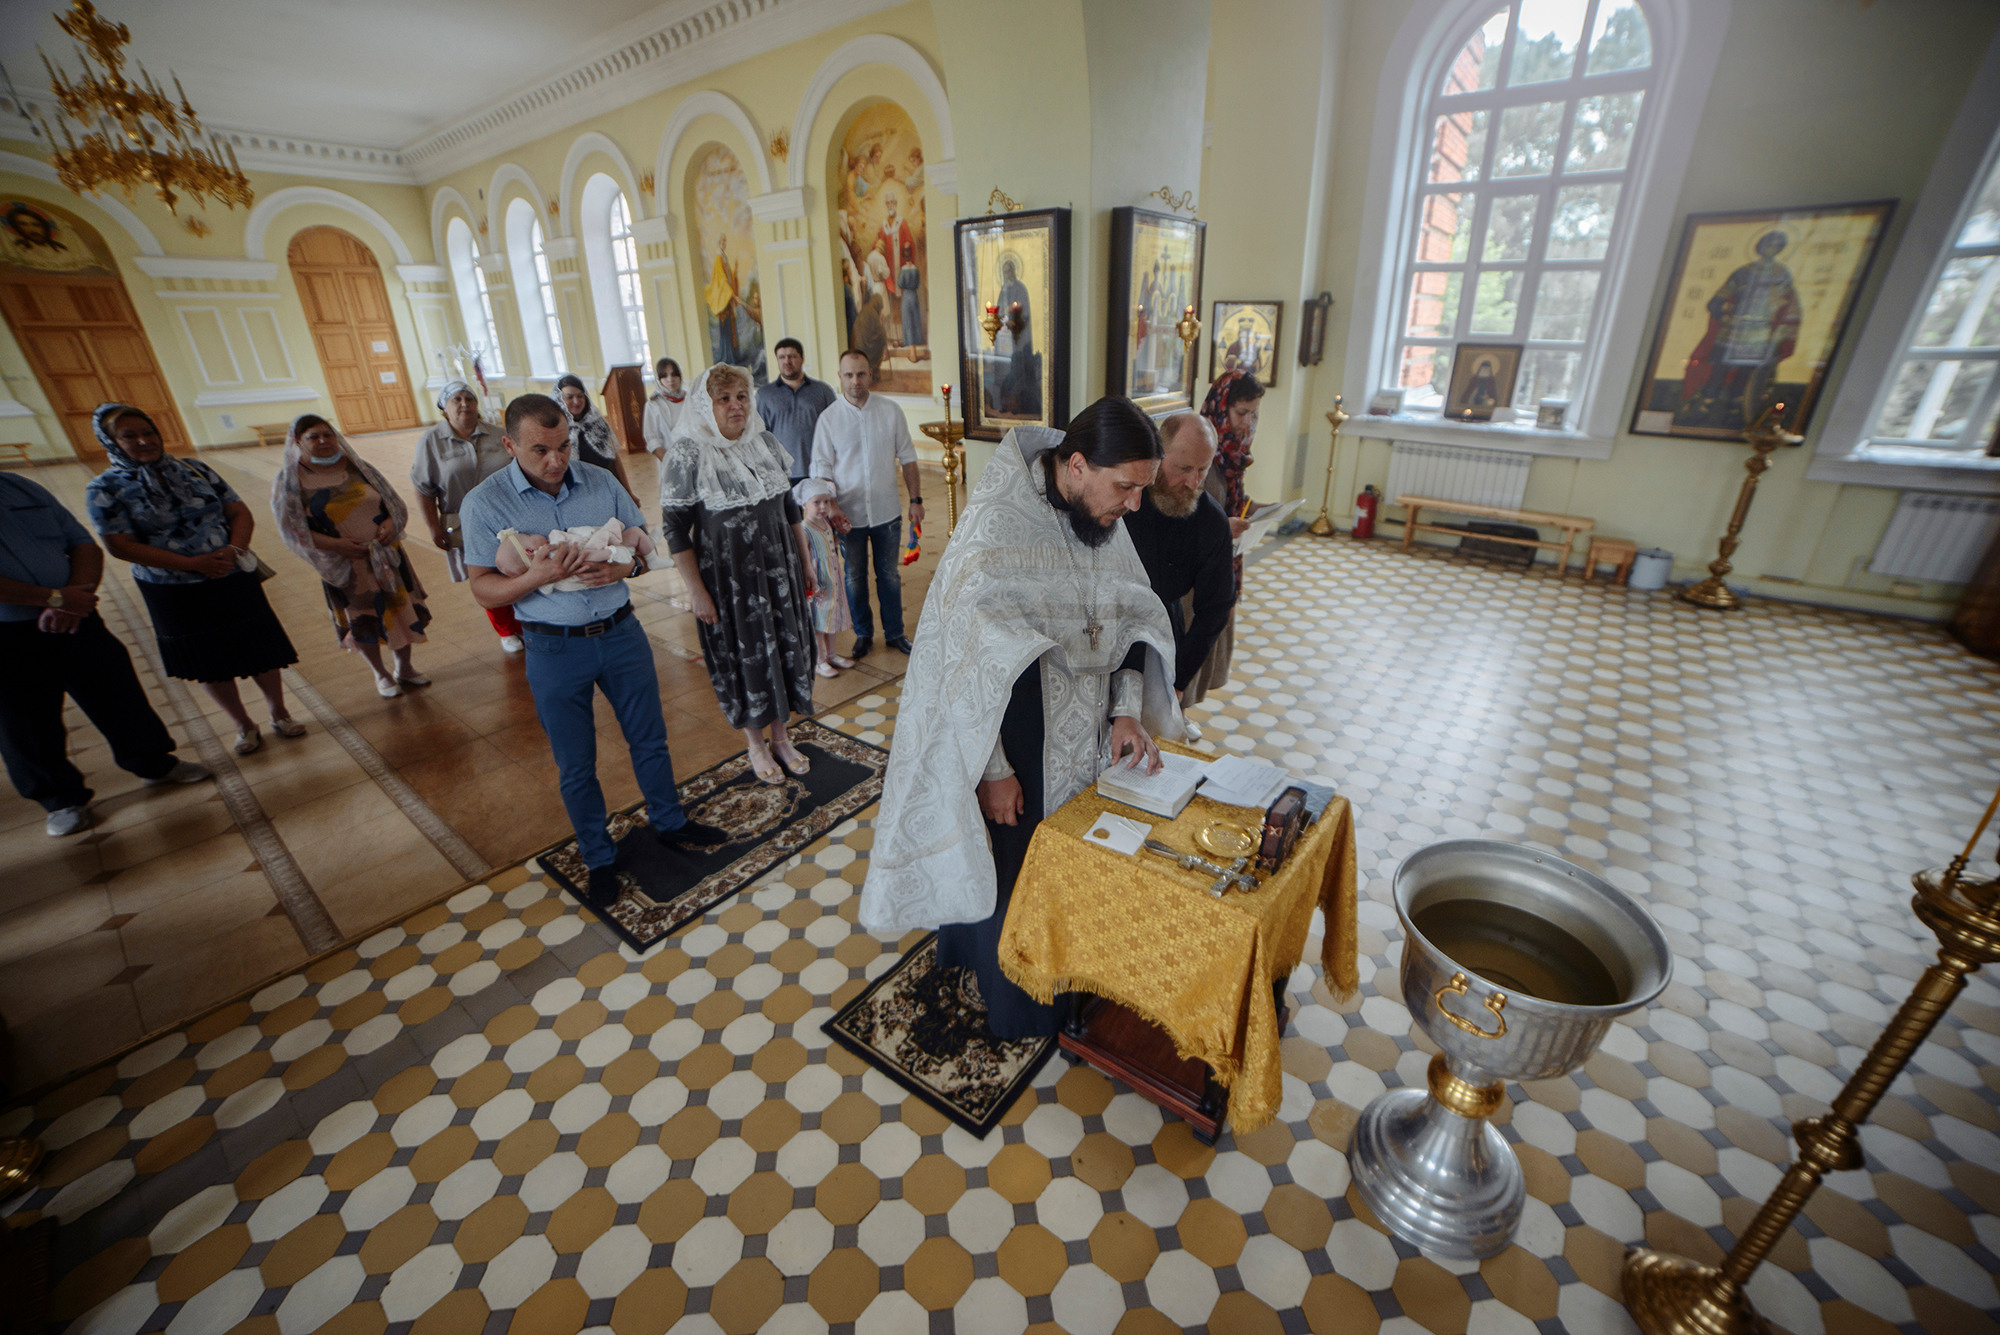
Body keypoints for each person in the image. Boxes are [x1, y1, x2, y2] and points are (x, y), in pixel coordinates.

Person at [861, 396, 1182, 1038]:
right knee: (1015, 871)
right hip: (1017, 738)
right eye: (1126, 487)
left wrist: (1125, 712)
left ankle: (1077, 982)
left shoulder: (1103, 518)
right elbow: (964, 665)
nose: (1134, 506)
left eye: (1142, 489)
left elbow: (1131, 616)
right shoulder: (994, 527)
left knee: (1080, 860)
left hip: (1088, 735)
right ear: (1078, 465)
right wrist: (992, 770)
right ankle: (1020, 1007)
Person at [459, 393, 724, 907]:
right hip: (553, 649)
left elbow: (642, 547)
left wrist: (627, 568)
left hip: (622, 635)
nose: (556, 460)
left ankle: (670, 822)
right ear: (510, 445)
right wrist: (537, 576)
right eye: (540, 450)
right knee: (576, 764)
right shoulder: (485, 503)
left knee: (650, 739)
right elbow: (483, 588)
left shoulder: (600, 481)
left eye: (563, 445)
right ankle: (599, 858)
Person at [85, 403, 305, 757]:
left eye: (148, 432)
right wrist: (192, 563)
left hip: (230, 572)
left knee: (258, 644)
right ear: (111, 442)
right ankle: (243, 724)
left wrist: (233, 549)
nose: (143, 441)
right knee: (207, 658)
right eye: (129, 436)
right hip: (172, 588)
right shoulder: (104, 488)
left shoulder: (194, 469)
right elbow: (120, 545)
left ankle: (279, 711)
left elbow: (238, 511)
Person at [0, 474, 210, 836]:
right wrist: (53, 599)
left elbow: (83, 544)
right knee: (26, 719)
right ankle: (60, 798)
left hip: (76, 614)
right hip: (9, 633)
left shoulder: (20, 487)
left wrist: (73, 598)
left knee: (117, 692)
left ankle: (153, 762)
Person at [661, 366, 820, 784]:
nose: (736, 406)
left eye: (742, 396)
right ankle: (756, 744)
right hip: (729, 581)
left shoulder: (764, 442)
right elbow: (674, 529)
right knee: (746, 657)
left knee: (785, 649)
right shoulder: (688, 454)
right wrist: (696, 592)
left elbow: (790, 509)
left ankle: (781, 738)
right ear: (705, 406)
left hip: (779, 572)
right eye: (724, 399)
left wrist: (805, 563)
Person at [272, 415, 432, 699]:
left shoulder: (359, 467)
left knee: (399, 611)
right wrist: (337, 545)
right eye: (313, 437)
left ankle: (404, 667)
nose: (323, 441)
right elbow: (292, 530)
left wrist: (391, 524)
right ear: (298, 442)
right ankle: (380, 673)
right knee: (363, 618)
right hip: (345, 565)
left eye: (328, 434)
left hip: (385, 556)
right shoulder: (290, 480)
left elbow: (393, 503)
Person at [810, 350, 921, 658]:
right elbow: (821, 471)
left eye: (860, 374)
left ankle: (895, 633)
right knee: (854, 578)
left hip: (887, 512)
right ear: (840, 377)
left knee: (889, 575)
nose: (855, 381)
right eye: (848, 375)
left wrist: (916, 500)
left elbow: (908, 458)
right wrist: (833, 508)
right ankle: (863, 634)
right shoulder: (829, 419)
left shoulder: (890, 411)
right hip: (848, 516)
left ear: (870, 374)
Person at [1123, 413, 1236, 710]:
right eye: (1184, 468)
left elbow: (1215, 609)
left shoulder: (1212, 522)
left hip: (1162, 632)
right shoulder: (1124, 497)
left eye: (1203, 469)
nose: (1193, 482)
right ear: (1159, 455)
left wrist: (1178, 680)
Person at [411, 380, 520, 652]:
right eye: (456, 399)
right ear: (444, 408)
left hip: (508, 516)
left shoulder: (498, 434)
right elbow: (424, 489)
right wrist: (433, 527)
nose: (464, 404)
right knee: (486, 574)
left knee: (518, 569)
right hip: (465, 523)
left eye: (469, 398)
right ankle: (505, 630)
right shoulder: (431, 441)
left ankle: (525, 622)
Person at [1678, 230, 1801, 430]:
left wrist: (1781, 329)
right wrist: (1725, 315)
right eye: (1769, 245)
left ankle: (1734, 414)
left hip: (1759, 335)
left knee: (1744, 376)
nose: (1771, 250)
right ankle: (1703, 410)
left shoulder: (1782, 275)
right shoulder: (1742, 273)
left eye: (1776, 247)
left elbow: (1789, 306)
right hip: (1732, 333)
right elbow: (1716, 302)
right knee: (1717, 373)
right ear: (1761, 246)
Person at [792, 478, 853, 678]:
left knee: (832, 617)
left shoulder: (826, 523)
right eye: (816, 502)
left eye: (826, 501)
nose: (823, 507)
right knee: (819, 621)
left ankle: (832, 654)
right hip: (819, 581)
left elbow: (829, 543)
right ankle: (819, 660)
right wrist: (811, 584)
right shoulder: (804, 529)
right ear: (804, 504)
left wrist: (841, 534)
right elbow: (804, 558)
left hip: (833, 577)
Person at [756, 338, 837, 481]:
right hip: (781, 474)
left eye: (792, 356)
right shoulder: (764, 395)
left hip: (818, 471)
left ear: (802, 358)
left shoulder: (823, 391)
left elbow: (836, 430)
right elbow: (759, 436)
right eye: (781, 357)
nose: (786, 361)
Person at [555, 373, 639, 505]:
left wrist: (628, 492)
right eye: (569, 397)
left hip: (609, 487)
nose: (576, 401)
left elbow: (614, 459)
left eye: (580, 396)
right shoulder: (557, 429)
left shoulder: (597, 422)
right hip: (581, 495)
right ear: (560, 399)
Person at [879, 192, 923, 349]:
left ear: (896, 204)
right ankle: (894, 337)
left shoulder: (901, 223)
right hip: (890, 273)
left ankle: (905, 337)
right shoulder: (884, 226)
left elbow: (909, 244)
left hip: (902, 271)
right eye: (888, 203)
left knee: (904, 307)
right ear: (886, 205)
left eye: (893, 202)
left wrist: (906, 262)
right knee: (892, 305)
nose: (890, 205)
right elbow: (879, 246)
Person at [706, 236, 744, 367]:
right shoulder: (718, 259)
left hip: (728, 299)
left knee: (732, 327)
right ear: (719, 243)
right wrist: (731, 294)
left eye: (725, 240)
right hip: (724, 299)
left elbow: (729, 277)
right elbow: (721, 279)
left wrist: (735, 273)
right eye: (722, 240)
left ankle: (734, 355)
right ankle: (727, 356)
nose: (724, 243)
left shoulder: (724, 258)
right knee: (726, 329)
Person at [641, 357, 686, 461]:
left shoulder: (689, 399)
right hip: (669, 458)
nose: (670, 379)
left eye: (674, 374)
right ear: (659, 380)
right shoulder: (653, 404)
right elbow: (652, 439)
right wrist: (670, 462)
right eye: (664, 376)